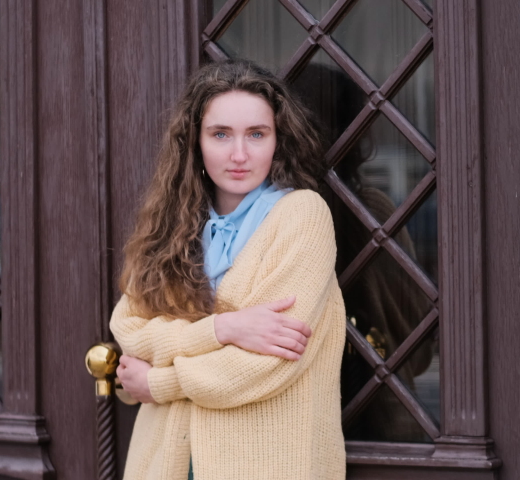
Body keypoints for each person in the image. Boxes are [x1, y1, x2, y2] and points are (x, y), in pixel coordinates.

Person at [109, 60, 347, 480]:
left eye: (257, 134)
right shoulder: (172, 225)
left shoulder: (302, 217)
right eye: (220, 134)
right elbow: (129, 333)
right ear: (195, 142)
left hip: (267, 464)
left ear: (278, 141)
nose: (239, 154)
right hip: (164, 460)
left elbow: (265, 365)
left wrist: (160, 383)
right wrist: (224, 330)